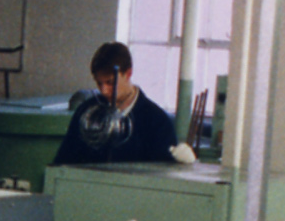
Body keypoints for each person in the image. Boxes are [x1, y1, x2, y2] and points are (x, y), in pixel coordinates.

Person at [53, 41, 190, 169]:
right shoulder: (87, 112)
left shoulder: (156, 122)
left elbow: (163, 175)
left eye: (110, 82)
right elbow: (62, 163)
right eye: (99, 83)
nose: (104, 90)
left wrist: (183, 164)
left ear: (128, 73)